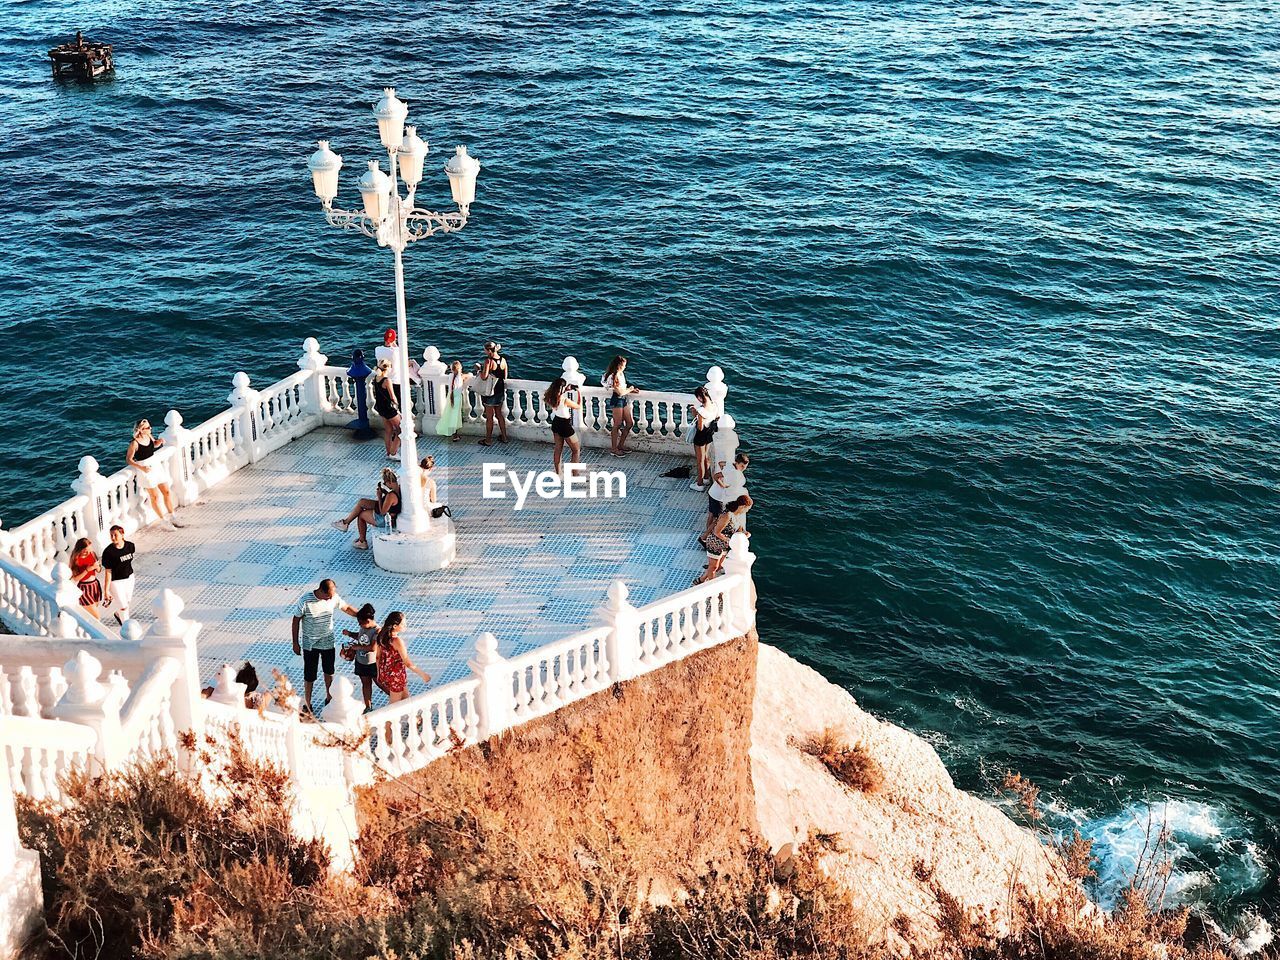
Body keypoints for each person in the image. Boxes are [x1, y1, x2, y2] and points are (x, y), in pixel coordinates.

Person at [291, 578, 359, 713]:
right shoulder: (305, 600)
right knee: (309, 675)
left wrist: (362, 615)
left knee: (329, 672)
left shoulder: (333, 597)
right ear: (321, 591)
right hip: (310, 644)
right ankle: (307, 703)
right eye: (328, 596)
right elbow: (296, 620)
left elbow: (346, 608)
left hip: (327, 642)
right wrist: (295, 643)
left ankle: (329, 698)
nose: (330, 599)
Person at [128, 419, 183, 529]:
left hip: (156, 466)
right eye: (148, 428)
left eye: (149, 426)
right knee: (155, 497)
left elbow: (153, 445)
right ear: (141, 430)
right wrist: (141, 468)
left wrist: (159, 442)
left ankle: (172, 516)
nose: (150, 429)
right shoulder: (134, 443)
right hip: (146, 469)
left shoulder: (149, 436)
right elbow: (129, 460)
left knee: (166, 492)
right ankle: (163, 520)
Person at [333, 468, 401, 549]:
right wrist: (384, 492)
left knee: (361, 515)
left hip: (384, 519)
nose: (385, 485)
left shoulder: (391, 495)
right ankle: (345, 523)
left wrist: (379, 496)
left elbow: (383, 512)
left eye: (385, 483)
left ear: (389, 482)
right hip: (388, 512)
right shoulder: (398, 488)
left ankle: (362, 541)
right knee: (362, 502)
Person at [374, 611, 431, 704]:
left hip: (387, 673)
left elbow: (377, 657)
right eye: (403, 624)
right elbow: (407, 663)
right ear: (395, 626)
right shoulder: (397, 641)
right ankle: (388, 719)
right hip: (396, 675)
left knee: (406, 699)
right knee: (393, 706)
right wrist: (423, 675)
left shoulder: (381, 636)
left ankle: (416, 718)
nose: (405, 626)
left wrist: (379, 674)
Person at [695, 495, 752, 584]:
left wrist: (745, 533)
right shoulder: (728, 515)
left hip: (724, 545)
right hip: (715, 544)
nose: (747, 510)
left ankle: (701, 579)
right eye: (747, 508)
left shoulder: (736, 515)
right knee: (713, 568)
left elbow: (739, 528)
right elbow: (716, 532)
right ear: (743, 507)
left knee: (718, 567)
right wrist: (730, 541)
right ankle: (712, 589)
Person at [341, 603, 380, 712]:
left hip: (372, 663)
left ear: (368, 621)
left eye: (361, 623)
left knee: (380, 683)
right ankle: (368, 706)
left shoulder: (377, 631)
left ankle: (396, 699)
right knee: (365, 684)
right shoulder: (363, 628)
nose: (360, 625)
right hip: (361, 662)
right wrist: (349, 634)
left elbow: (373, 648)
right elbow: (360, 637)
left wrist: (356, 647)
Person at [602, 355, 640, 457]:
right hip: (617, 400)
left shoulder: (621, 374)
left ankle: (621, 445)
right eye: (624, 365)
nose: (625, 367)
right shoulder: (613, 376)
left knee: (629, 423)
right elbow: (619, 392)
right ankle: (614, 449)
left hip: (623, 400)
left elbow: (622, 390)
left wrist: (630, 390)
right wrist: (630, 389)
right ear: (619, 365)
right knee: (617, 424)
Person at [705, 451, 750, 537]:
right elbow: (716, 476)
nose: (743, 469)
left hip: (712, 492)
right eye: (742, 466)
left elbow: (720, 463)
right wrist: (723, 485)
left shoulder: (730, 464)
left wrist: (724, 473)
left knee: (711, 514)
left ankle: (707, 534)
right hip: (718, 496)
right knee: (716, 517)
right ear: (737, 463)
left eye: (745, 467)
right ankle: (708, 535)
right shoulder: (732, 471)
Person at [544, 376, 582, 474]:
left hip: (556, 423)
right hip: (565, 425)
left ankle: (558, 472)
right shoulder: (564, 400)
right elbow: (578, 406)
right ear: (561, 389)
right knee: (576, 450)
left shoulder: (550, 396)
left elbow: (558, 395)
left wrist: (565, 389)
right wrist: (578, 392)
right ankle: (575, 473)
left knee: (558, 449)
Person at [100, 525, 136, 625]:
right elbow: (108, 572)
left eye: (115, 535)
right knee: (123, 606)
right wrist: (106, 591)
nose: (113, 537)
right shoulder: (108, 552)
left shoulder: (130, 546)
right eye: (111, 535)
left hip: (129, 578)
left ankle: (118, 614)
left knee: (127, 603)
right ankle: (127, 627)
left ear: (122, 534)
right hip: (115, 582)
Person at [476, 340, 509, 446]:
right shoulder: (503, 360)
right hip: (500, 389)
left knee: (489, 417)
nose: (485, 352)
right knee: (499, 415)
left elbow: (484, 377)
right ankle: (504, 437)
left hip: (490, 391)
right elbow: (505, 376)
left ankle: (488, 440)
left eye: (485, 350)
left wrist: (479, 370)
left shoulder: (488, 361)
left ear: (489, 350)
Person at [688, 386, 719, 492]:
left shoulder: (701, 410)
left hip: (700, 436)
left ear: (700, 397)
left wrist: (695, 415)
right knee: (706, 457)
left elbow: (700, 427)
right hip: (709, 434)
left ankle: (699, 484)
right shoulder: (714, 405)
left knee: (700, 460)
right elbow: (714, 417)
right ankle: (706, 478)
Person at [372, 360, 401, 460]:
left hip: (381, 408)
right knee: (401, 430)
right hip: (389, 409)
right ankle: (393, 452)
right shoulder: (387, 380)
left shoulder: (376, 378)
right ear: (387, 368)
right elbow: (393, 397)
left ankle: (388, 452)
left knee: (388, 430)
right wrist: (397, 405)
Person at [435, 360, 469, 441]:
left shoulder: (450, 376)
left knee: (449, 414)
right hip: (457, 399)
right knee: (455, 417)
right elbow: (468, 375)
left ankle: (452, 433)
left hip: (450, 397)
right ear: (460, 368)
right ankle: (455, 435)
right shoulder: (460, 377)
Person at [69, 537, 102, 620]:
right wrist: (87, 570)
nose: (88, 552)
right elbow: (75, 579)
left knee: (91, 615)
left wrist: (97, 566)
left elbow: (99, 570)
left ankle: (88, 630)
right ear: (80, 549)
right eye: (85, 550)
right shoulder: (76, 559)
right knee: (97, 617)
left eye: (89, 549)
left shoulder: (92, 554)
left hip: (94, 585)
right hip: (84, 588)